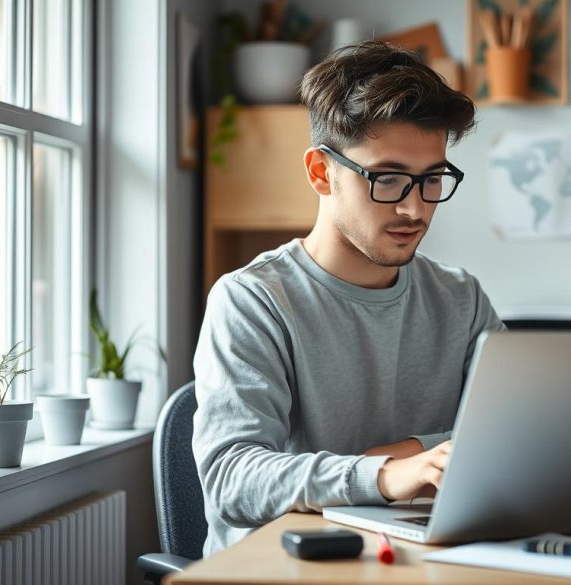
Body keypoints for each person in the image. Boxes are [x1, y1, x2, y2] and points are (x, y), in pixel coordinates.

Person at [192, 41, 504, 555]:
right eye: (387, 179)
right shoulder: (252, 300)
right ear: (321, 173)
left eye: (432, 181)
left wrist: (408, 454)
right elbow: (232, 478)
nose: (414, 208)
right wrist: (384, 474)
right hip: (284, 563)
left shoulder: (461, 298)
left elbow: (511, 435)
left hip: (417, 558)